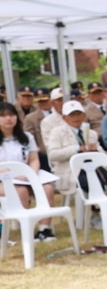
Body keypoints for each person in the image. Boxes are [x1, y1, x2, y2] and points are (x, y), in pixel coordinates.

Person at [0, 101, 58, 240]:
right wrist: (11, 175)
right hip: (4, 180)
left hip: (25, 177)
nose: (8, 119)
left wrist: (31, 173)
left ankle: (44, 229)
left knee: (48, 188)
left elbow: (33, 159)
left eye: (11, 115)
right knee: (21, 191)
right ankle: (27, 228)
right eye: (3, 116)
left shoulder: (26, 137)